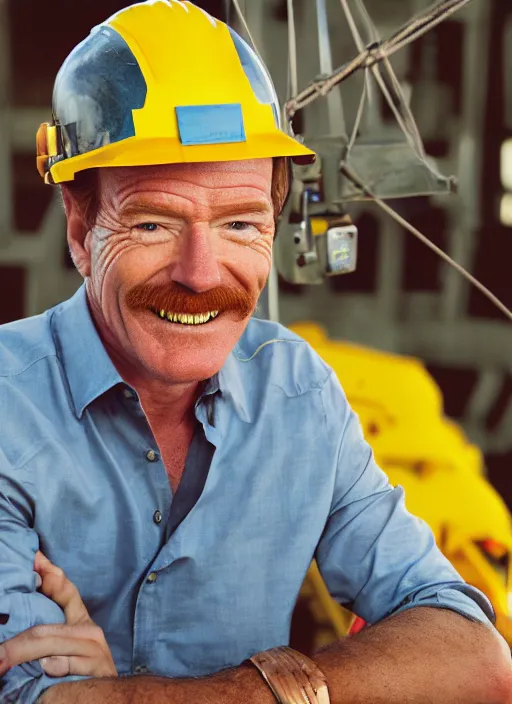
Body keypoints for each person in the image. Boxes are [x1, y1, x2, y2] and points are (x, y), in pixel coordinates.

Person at [0, 2, 510, 703]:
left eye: (241, 223)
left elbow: (475, 656)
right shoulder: (7, 407)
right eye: (154, 222)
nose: (203, 273)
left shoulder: (297, 393)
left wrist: (162, 691)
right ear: (81, 228)